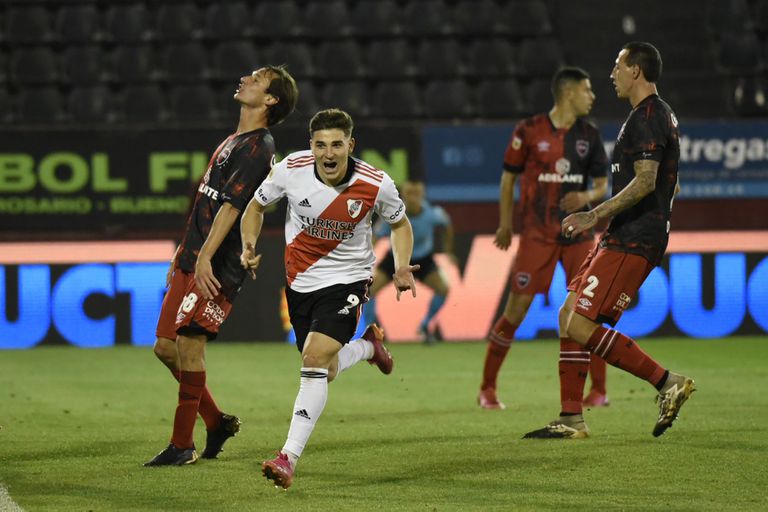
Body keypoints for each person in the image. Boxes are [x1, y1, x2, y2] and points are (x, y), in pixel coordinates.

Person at [523, 42, 695, 439]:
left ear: (636, 70)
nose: (612, 73)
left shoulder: (649, 116)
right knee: (568, 317)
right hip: (624, 234)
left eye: (618, 65)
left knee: (581, 326)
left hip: (633, 239)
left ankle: (666, 381)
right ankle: (571, 418)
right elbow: (670, 182)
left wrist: (593, 214)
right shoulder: (651, 116)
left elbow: (648, 180)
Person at [240, 108, 418, 489]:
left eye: (337, 144)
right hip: (300, 284)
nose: (329, 153)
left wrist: (401, 266)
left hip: (348, 282)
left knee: (314, 358)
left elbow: (400, 224)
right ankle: (369, 348)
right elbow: (255, 207)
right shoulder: (291, 169)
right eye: (321, 145)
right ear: (311, 147)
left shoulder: (376, 183)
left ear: (350, 145)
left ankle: (287, 457)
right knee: (327, 368)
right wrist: (249, 244)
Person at [144, 66, 298, 466]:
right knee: (165, 348)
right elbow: (206, 202)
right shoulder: (234, 140)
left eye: (257, 79)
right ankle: (215, 421)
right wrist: (184, 253)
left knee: (190, 346)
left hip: (217, 264)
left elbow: (233, 208)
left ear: (270, 100)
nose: (245, 79)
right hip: (194, 256)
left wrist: (207, 257)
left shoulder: (259, 147)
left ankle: (182, 445)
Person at [478, 67, 610, 410]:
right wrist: (505, 224)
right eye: (587, 90)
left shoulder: (589, 135)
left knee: (586, 310)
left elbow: (600, 185)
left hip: (578, 235)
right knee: (517, 309)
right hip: (538, 235)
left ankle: (599, 391)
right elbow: (508, 180)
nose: (592, 97)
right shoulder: (528, 130)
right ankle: (487, 388)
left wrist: (584, 198)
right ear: (568, 93)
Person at [363, 180, 456, 343]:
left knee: (443, 289)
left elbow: (447, 225)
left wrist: (448, 251)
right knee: (368, 291)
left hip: (423, 260)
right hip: (396, 258)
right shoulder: (393, 214)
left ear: (422, 195)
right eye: (409, 194)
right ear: (403, 196)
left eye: (416, 194)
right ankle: (372, 331)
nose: (413, 198)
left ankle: (425, 325)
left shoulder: (433, 214)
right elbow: (376, 237)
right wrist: (365, 257)